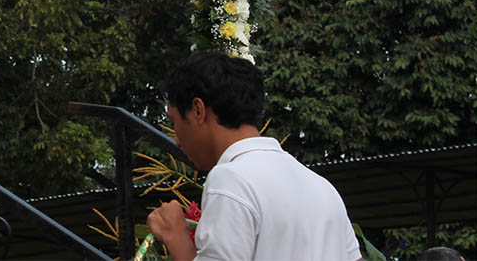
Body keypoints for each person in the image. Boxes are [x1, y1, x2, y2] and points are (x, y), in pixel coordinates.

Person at [146, 52, 362, 261]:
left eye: (174, 123)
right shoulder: (322, 187)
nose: (177, 140)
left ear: (197, 110)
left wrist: (175, 236)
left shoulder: (231, 179)